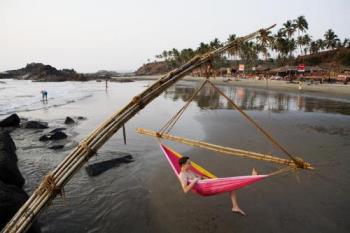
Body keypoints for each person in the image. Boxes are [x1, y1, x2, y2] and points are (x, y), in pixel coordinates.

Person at [178, 156, 256, 215]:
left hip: (207, 184)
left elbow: (200, 177)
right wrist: (194, 181)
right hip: (205, 190)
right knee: (230, 185)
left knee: (231, 186)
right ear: (183, 164)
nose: (191, 164)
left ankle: (235, 207)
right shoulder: (182, 175)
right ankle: (251, 178)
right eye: (189, 163)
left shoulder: (189, 170)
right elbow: (185, 190)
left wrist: (212, 179)